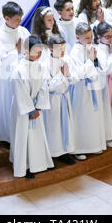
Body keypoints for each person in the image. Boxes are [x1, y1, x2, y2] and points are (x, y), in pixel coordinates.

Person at [9, 35, 54, 178]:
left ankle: (39, 164)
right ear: (26, 51)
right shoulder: (19, 70)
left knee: (37, 136)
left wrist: (39, 106)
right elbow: (20, 91)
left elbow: (44, 86)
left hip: (36, 108)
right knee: (23, 136)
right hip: (23, 110)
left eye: (40, 51)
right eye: (35, 51)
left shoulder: (40, 67)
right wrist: (30, 109)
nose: (39, 54)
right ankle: (25, 166)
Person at [0, 2, 30, 145]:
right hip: (7, 79)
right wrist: (16, 52)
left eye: (21, 18)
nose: (20, 22)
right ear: (7, 19)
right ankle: (8, 136)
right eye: (17, 19)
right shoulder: (0, 37)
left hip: (24, 75)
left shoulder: (23, 31)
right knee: (9, 106)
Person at [69, 22, 106, 159]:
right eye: (86, 38)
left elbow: (100, 67)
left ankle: (95, 144)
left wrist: (95, 60)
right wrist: (91, 61)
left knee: (93, 117)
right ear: (78, 38)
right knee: (82, 118)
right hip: (81, 90)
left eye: (91, 36)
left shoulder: (92, 47)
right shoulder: (75, 52)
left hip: (94, 87)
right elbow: (79, 74)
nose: (90, 40)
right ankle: (79, 148)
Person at [42, 35, 77, 165]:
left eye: (64, 48)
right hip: (53, 101)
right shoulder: (45, 64)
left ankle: (65, 151)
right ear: (51, 49)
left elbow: (74, 78)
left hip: (64, 98)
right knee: (54, 127)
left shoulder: (66, 59)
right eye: (59, 49)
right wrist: (62, 76)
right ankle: (53, 152)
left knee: (65, 125)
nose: (63, 51)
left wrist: (68, 75)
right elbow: (48, 86)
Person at [93, 22, 112, 147]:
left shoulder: (111, 45)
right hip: (105, 84)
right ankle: (108, 136)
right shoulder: (99, 49)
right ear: (99, 37)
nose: (111, 39)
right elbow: (105, 69)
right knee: (107, 109)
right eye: (107, 36)